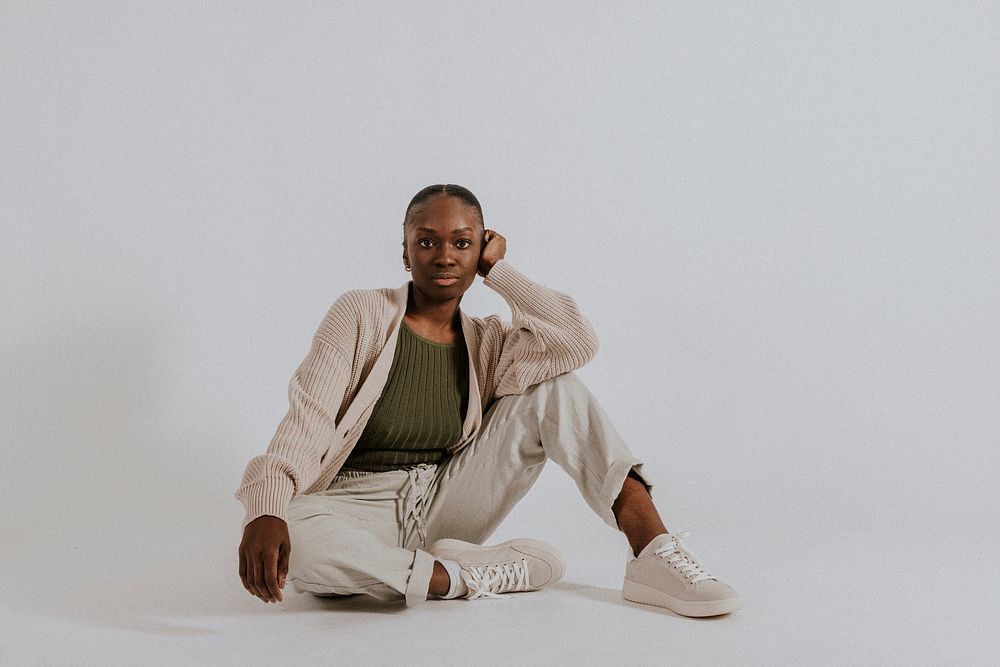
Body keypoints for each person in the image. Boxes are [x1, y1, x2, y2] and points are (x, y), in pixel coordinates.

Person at [235, 184, 743, 616]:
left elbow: (576, 341)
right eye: (427, 241)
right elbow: (309, 418)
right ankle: (457, 576)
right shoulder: (362, 315)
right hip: (352, 507)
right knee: (298, 544)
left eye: (462, 242)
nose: (444, 255)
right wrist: (267, 509)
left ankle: (652, 554)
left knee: (554, 389)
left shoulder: (490, 343)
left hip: (445, 500)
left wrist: (501, 272)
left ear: (481, 249)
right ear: (405, 251)